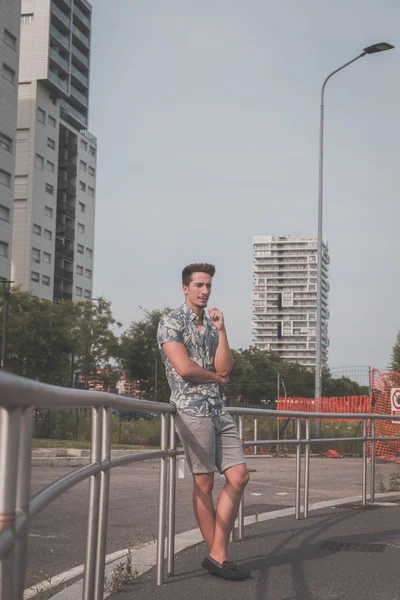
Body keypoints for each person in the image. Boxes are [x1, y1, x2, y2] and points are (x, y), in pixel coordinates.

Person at [157, 263, 250, 581]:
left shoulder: (211, 327)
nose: (205, 291)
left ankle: (216, 554)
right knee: (205, 482)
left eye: (209, 285)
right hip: (191, 410)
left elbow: (227, 367)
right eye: (199, 285)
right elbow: (183, 368)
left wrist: (222, 331)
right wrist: (216, 377)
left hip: (217, 410)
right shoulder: (171, 321)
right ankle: (219, 556)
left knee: (238, 476)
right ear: (185, 288)